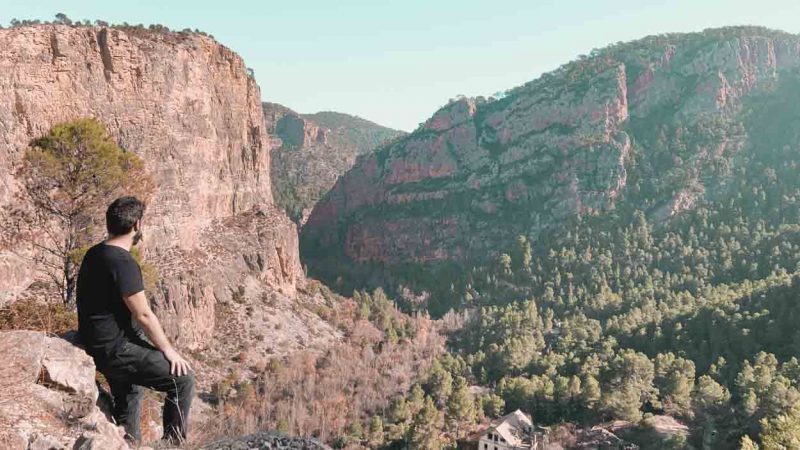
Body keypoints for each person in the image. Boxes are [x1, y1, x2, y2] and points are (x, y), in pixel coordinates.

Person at [76, 196, 194, 444]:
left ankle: (128, 442)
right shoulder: (123, 263)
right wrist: (169, 351)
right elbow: (143, 314)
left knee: (131, 390)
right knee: (182, 380)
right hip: (116, 349)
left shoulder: (95, 253)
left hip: (98, 341)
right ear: (137, 225)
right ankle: (173, 445)